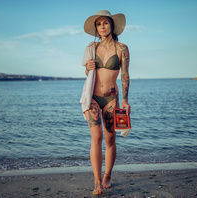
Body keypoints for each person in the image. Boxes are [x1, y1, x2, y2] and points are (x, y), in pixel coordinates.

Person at [82, 10, 131, 195]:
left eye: (105, 23)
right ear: (96, 28)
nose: (102, 27)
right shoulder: (92, 48)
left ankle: (107, 176)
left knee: (110, 139)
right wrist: (88, 68)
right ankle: (96, 181)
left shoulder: (122, 48)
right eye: (99, 24)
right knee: (96, 137)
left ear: (111, 25)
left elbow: (125, 75)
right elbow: (89, 74)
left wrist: (125, 100)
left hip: (112, 98)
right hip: (93, 97)